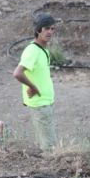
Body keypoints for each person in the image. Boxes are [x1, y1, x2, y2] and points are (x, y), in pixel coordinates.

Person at [13, 13, 58, 150]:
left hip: (46, 102)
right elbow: (17, 73)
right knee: (50, 147)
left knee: (45, 144)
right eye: (46, 28)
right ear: (38, 30)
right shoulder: (32, 50)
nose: (50, 32)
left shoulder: (43, 50)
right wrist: (33, 87)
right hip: (40, 104)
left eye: (52, 28)